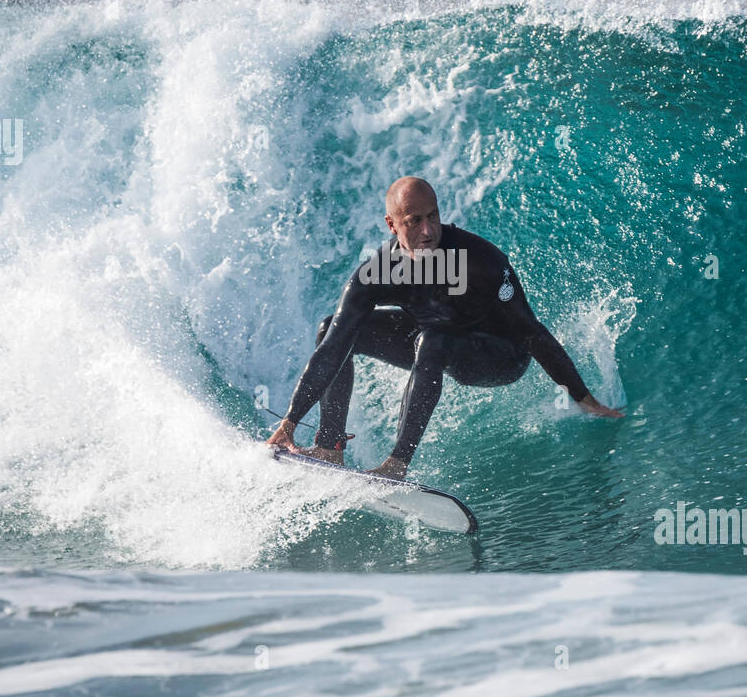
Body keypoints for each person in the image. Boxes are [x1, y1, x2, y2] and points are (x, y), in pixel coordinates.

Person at [266, 177, 623, 479]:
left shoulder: (480, 260)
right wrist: (290, 422)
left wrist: (583, 398)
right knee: (332, 327)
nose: (427, 231)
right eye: (414, 221)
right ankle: (330, 448)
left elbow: (532, 333)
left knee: (433, 339)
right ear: (392, 225)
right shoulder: (378, 271)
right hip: (432, 342)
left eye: (433, 217)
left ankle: (396, 465)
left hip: (499, 355)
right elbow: (333, 346)